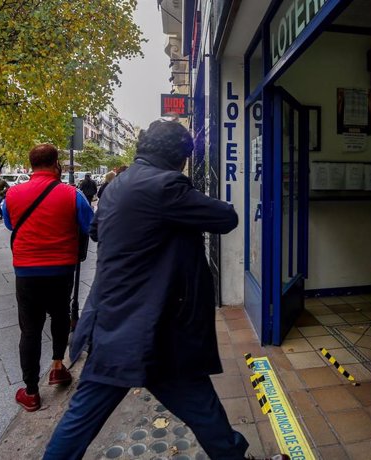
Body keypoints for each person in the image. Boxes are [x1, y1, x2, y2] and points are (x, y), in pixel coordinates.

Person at [43, 120, 288, 460]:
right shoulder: (166, 185)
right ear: (180, 157)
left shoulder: (119, 183)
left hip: (118, 323)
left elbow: (98, 229)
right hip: (148, 328)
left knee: (191, 407)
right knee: (193, 406)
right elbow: (225, 217)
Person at [2, 144, 94, 412]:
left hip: (27, 272)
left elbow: (10, 223)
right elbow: (91, 225)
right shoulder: (72, 194)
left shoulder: (13, 194)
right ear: (57, 164)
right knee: (60, 315)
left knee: (29, 329)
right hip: (61, 270)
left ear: (31, 165)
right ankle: (57, 366)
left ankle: (30, 392)